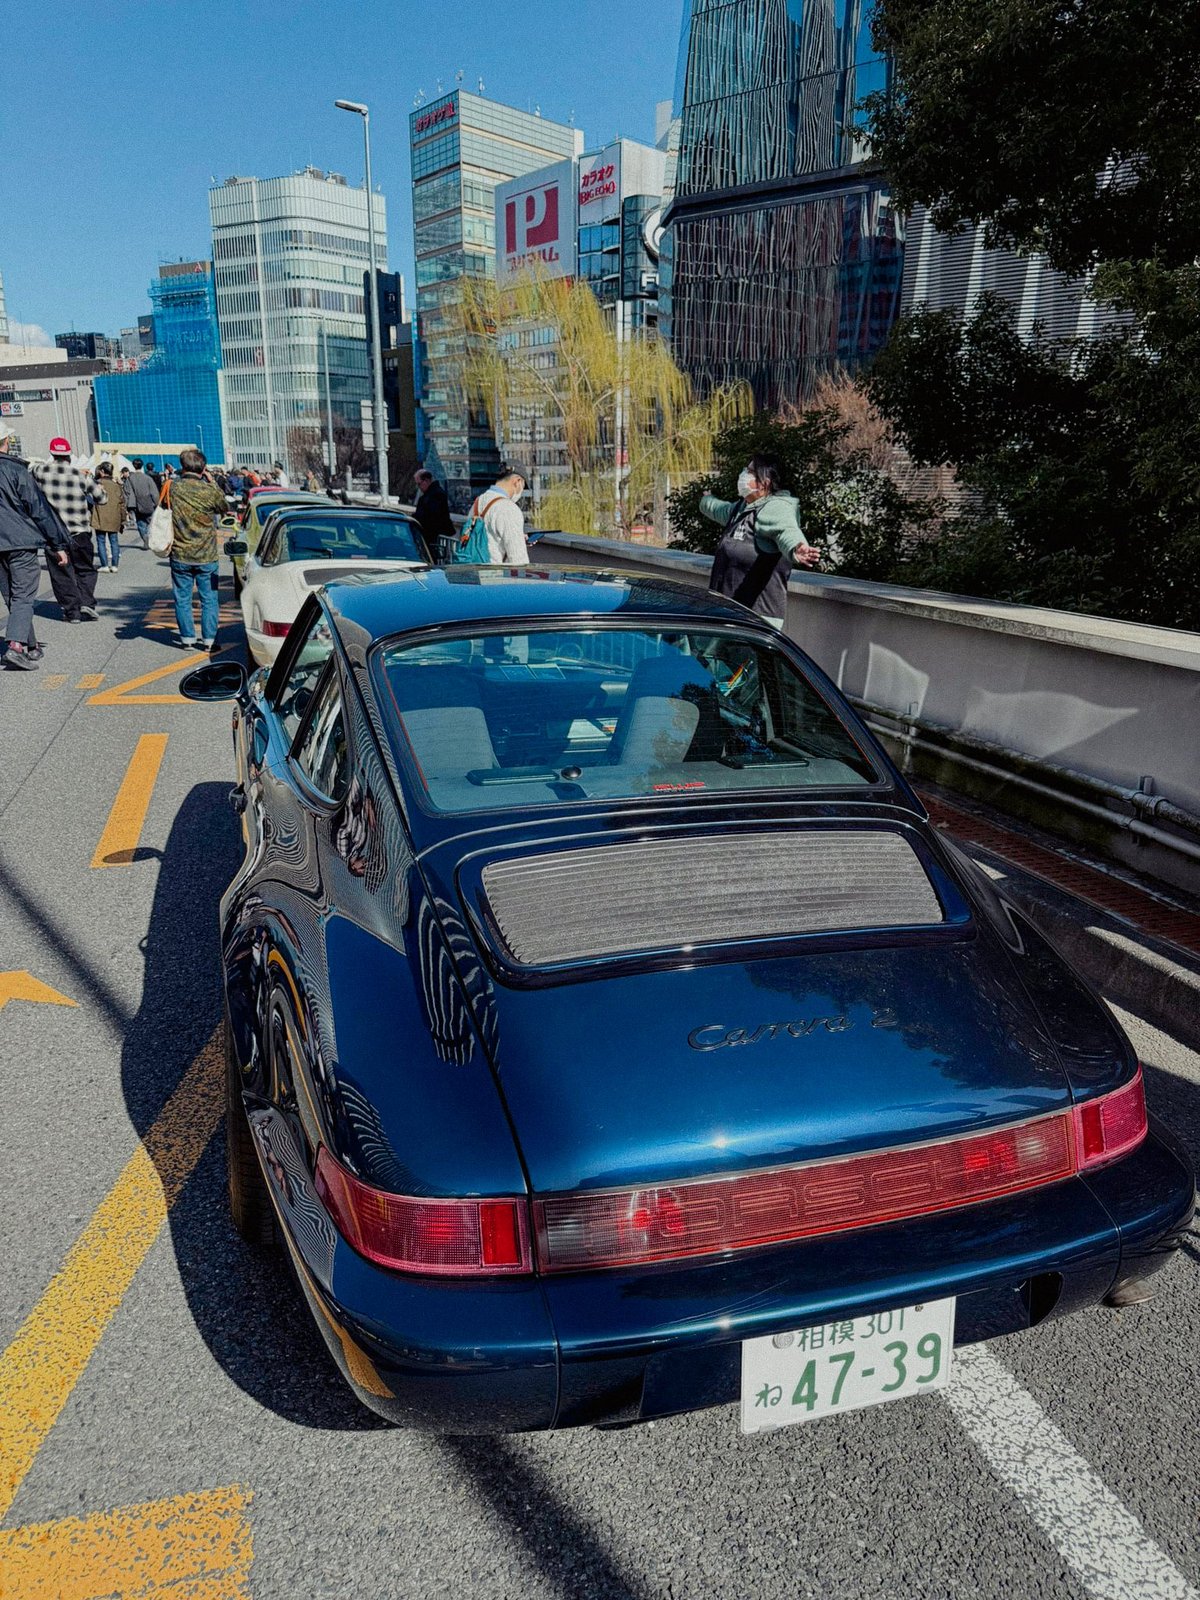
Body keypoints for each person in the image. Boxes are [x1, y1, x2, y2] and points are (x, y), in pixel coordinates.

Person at [700, 456, 821, 629]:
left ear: (765, 483)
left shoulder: (775, 507)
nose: (743, 474)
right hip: (729, 613)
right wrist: (706, 500)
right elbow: (719, 509)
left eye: (749, 471)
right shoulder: (741, 509)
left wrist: (797, 547)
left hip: (754, 620)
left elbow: (786, 530)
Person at [0, 441, 72, 669]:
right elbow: (38, 509)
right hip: (20, 540)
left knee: (12, 595)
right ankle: (16, 647)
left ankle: (31, 646)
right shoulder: (15, 469)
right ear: (6, 442)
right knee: (23, 594)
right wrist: (57, 543)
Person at [32, 437, 102, 622]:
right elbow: (102, 498)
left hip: (53, 534)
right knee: (85, 569)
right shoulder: (81, 476)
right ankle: (86, 603)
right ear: (69, 454)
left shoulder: (40, 472)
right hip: (80, 532)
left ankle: (72, 612)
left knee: (61, 574)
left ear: (52, 453)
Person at [167, 446, 227, 650]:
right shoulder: (209, 490)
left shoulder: (174, 487)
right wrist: (212, 483)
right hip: (206, 554)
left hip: (180, 552)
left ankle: (187, 638)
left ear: (183, 467)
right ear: (203, 468)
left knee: (182, 598)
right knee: (209, 599)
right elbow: (224, 507)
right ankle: (209, 640)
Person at [476, 463, 530, 565]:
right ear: (517, 482)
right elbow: (519, 560)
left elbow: (489, 536)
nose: (521, 492)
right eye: (523, 486)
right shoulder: (508, 508)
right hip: (493, 575)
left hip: (471, 572)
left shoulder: (479, 501)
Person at [413, 468, 455, 563]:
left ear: (426, 481)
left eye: (419, 484)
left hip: (433, 536)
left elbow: (431, 516)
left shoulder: (436, 495)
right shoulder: (433, 494)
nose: (419, 487)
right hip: (433, 535)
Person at [91, 462, 125, 571]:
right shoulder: (117, 486)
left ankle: (104, 565)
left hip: (100, 516)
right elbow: (122, 503)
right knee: (114, 541)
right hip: (114, 516)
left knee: (101, 540)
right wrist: (123, 519)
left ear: (101, 471)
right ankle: (115, 565)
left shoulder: (97, 484)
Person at [122, 458, 161, 549]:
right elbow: (154, 493)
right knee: (151, 522)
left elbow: (126, 493)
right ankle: (152, 539)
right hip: (149, 504)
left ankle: (145, 538)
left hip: (136, 505)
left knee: (140, 523)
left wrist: (127, 505)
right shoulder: (147, 478)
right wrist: (158, 503)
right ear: (142, 466)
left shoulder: (130, 479)